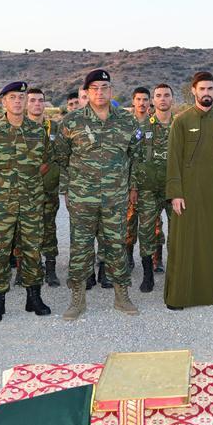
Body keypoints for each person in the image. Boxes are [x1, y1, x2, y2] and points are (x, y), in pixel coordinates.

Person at [54, 70, 141, 320]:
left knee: (116, 246)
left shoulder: (127, 121)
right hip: (83, 198)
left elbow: (136, 156)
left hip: (115, 198)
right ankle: (77, 300)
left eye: (104, 87)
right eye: (94, 88)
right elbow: (61, 157)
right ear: (87, 92)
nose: (100, 92)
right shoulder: (72, 122)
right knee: (80, 248)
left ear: (111, 90)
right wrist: (68, 189)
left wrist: (132, 187)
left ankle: (122, 296)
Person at [0, 82, 50, 322]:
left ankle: (34, 297)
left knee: (33, 250)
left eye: (21, 97)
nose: (18, 101)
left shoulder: (38, 131)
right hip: (1, 205)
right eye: (13, 97)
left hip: (31, 202)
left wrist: (28, 186)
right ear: (3, 101)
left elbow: (44, 164)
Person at [163, 72, 213, 309]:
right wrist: (175, 193)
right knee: (184, 242)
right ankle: (178, 296)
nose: (206, 93)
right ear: (193, 91)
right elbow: (173, 159)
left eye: (210, 89)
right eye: (202, 89)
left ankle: (209, 291)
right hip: (187, 193)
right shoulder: (181, 121)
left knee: (212, 241)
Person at [132, 83, 174, 294]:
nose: (163, 99)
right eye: (159, 95)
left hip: (174, 189)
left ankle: (176, 272)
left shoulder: (179, 125)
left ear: (172, 99)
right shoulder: (143, 128)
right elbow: (134, 158)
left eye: (166, 95)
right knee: (146, 231)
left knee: (178, 231)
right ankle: (148, 274)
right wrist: (133, 186)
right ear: (153, 100)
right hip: (148, 188)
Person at [27, 88, 62, 286]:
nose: (37, 104)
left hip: (49, 190)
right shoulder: (18, 128)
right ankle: (27, 269)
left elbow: (64, 156)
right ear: (26, 103)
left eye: (40, 100)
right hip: (25, 192)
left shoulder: (54, 128)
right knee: (24, 231)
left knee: (49, 229)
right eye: (32, 100)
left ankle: (50, 269)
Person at [125, 87, 152, 268]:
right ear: (133, 101)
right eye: (139, 99)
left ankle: (155, 258)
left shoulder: (154, 123)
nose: (142, 103)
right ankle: (128, 255)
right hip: (129, 179)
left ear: (150, 102)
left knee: (153, 222)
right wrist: (131, 185)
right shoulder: (125, 124)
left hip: (150, 180)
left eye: (145, 99)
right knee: (129, 220)